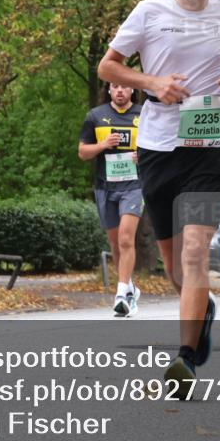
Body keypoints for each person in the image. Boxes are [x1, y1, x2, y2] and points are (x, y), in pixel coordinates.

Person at [97, 0, 220, 398]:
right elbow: (108, 67)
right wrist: (152, 81)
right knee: (175, 269)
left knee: (195, 253)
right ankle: (201, 308)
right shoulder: (150, 11)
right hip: (158, 143)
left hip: (211, 144)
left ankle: (185, 362)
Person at [78, 83, 145, 317]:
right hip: (105, 187)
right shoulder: (96, 116)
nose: (120, 91)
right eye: (115, 86)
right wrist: (104, 145)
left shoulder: (144, 115)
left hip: (134, 186)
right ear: (108, 89)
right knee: (116, 244)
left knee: (127, 239)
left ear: (132, 91)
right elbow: (82, 152)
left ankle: (120, 294)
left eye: (125, 87)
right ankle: (129, 288)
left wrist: (144, 156)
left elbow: (160, 148)